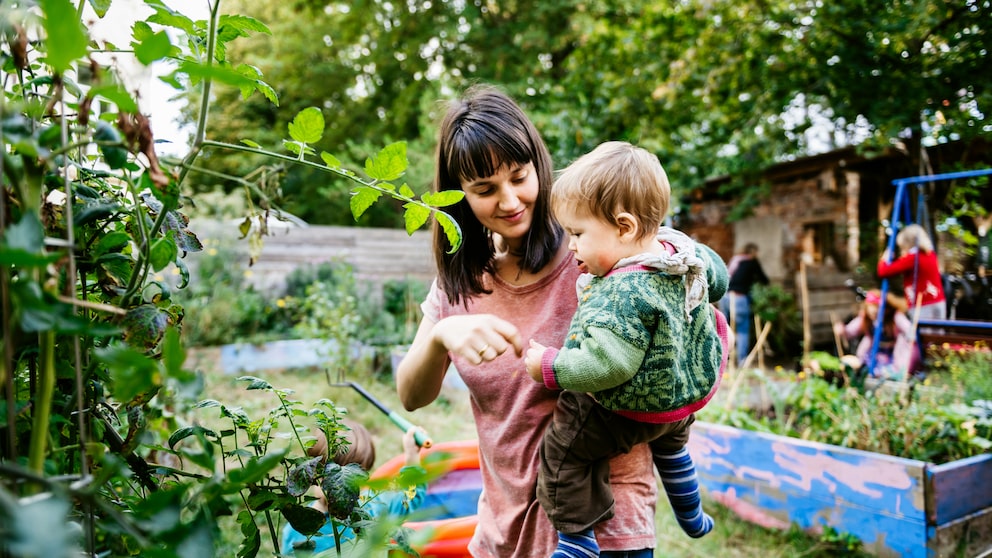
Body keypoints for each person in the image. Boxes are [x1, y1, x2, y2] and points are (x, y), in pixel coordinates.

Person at [394, 85, 659, 557]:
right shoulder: (461, 280)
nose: (510, 200)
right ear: (460, 197)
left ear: (538, 164)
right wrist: (439, 337)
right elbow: (412, 396)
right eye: (485, 190)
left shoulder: (596, 258)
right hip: (501, 531)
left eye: (519, 177)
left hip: (602, 534)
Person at [522, 141, 729, 557]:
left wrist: (547, 364)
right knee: (673, 449)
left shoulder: (620, 292)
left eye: (578, 234)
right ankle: (691, 514)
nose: (572, 247)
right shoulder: (680, 253)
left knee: (564, 453)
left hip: (630, 411)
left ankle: (578, 540)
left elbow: (607, 366)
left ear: (625, 226)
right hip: (681, 403)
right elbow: (719, 279)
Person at [279, 421, 426, 555]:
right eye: (330, 475)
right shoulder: (297, 531)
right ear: (311, 472)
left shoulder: (374, 508)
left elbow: (410, 497)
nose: (341, 487)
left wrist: (412, 457)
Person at [831, 289, 921, 380]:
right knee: (866, 370)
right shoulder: (866, 318)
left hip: (892, 355)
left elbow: (909, 330)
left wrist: (911, 336)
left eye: (877, 309)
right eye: (871, 310)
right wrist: (842, 330)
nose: (873, 313)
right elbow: (850, 331)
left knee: (889, 373)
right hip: (873, 354)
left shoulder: (895, 317)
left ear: (885, 309)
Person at [877, 224, 947, 323]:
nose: (902, 252)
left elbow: (883, 271)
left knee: (921, 335)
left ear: (908, 244)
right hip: (938, 301)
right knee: (936, 334)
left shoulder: (913, 258)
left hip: (922, 304)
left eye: (902, 248)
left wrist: (884, 259)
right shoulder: (930, 254)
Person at [720, 243, 768, 366]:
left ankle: (722, 360)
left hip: (725, 297)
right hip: (739, 298)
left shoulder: (736, 260)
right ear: (753, 253)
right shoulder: (752, 262)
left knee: (724, 328)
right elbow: (764, 280)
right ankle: (742, 361)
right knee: (742, 329)